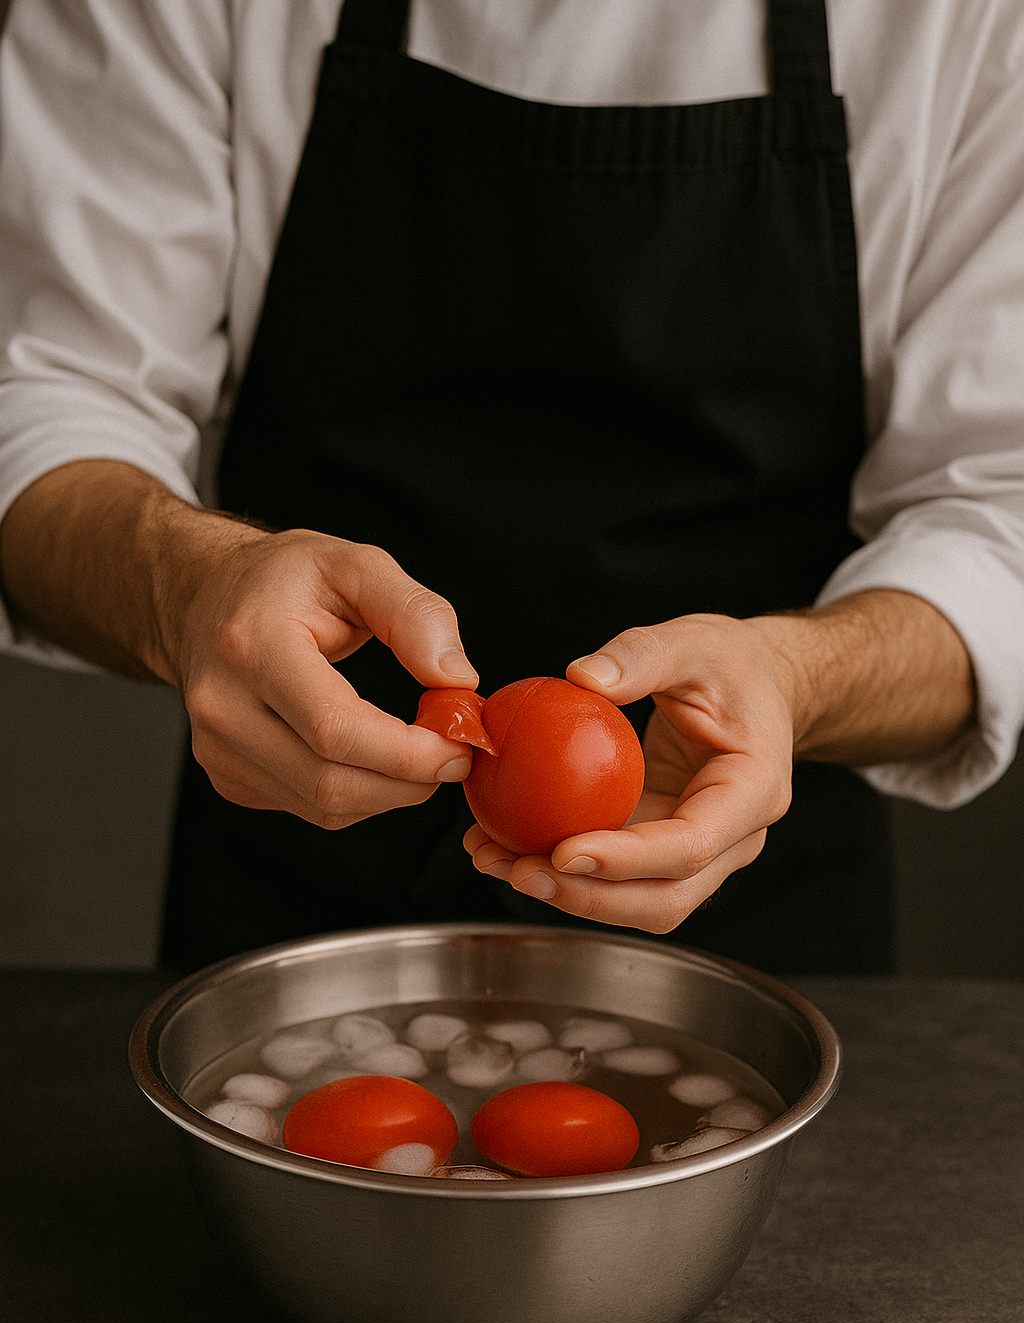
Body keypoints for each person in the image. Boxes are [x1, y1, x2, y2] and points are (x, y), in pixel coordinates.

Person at [0, 0, 1021, 976]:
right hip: (290, 905)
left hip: (758, 926)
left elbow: (999, 523)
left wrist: (794, 678)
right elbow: (42, 393)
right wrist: (188, 588)